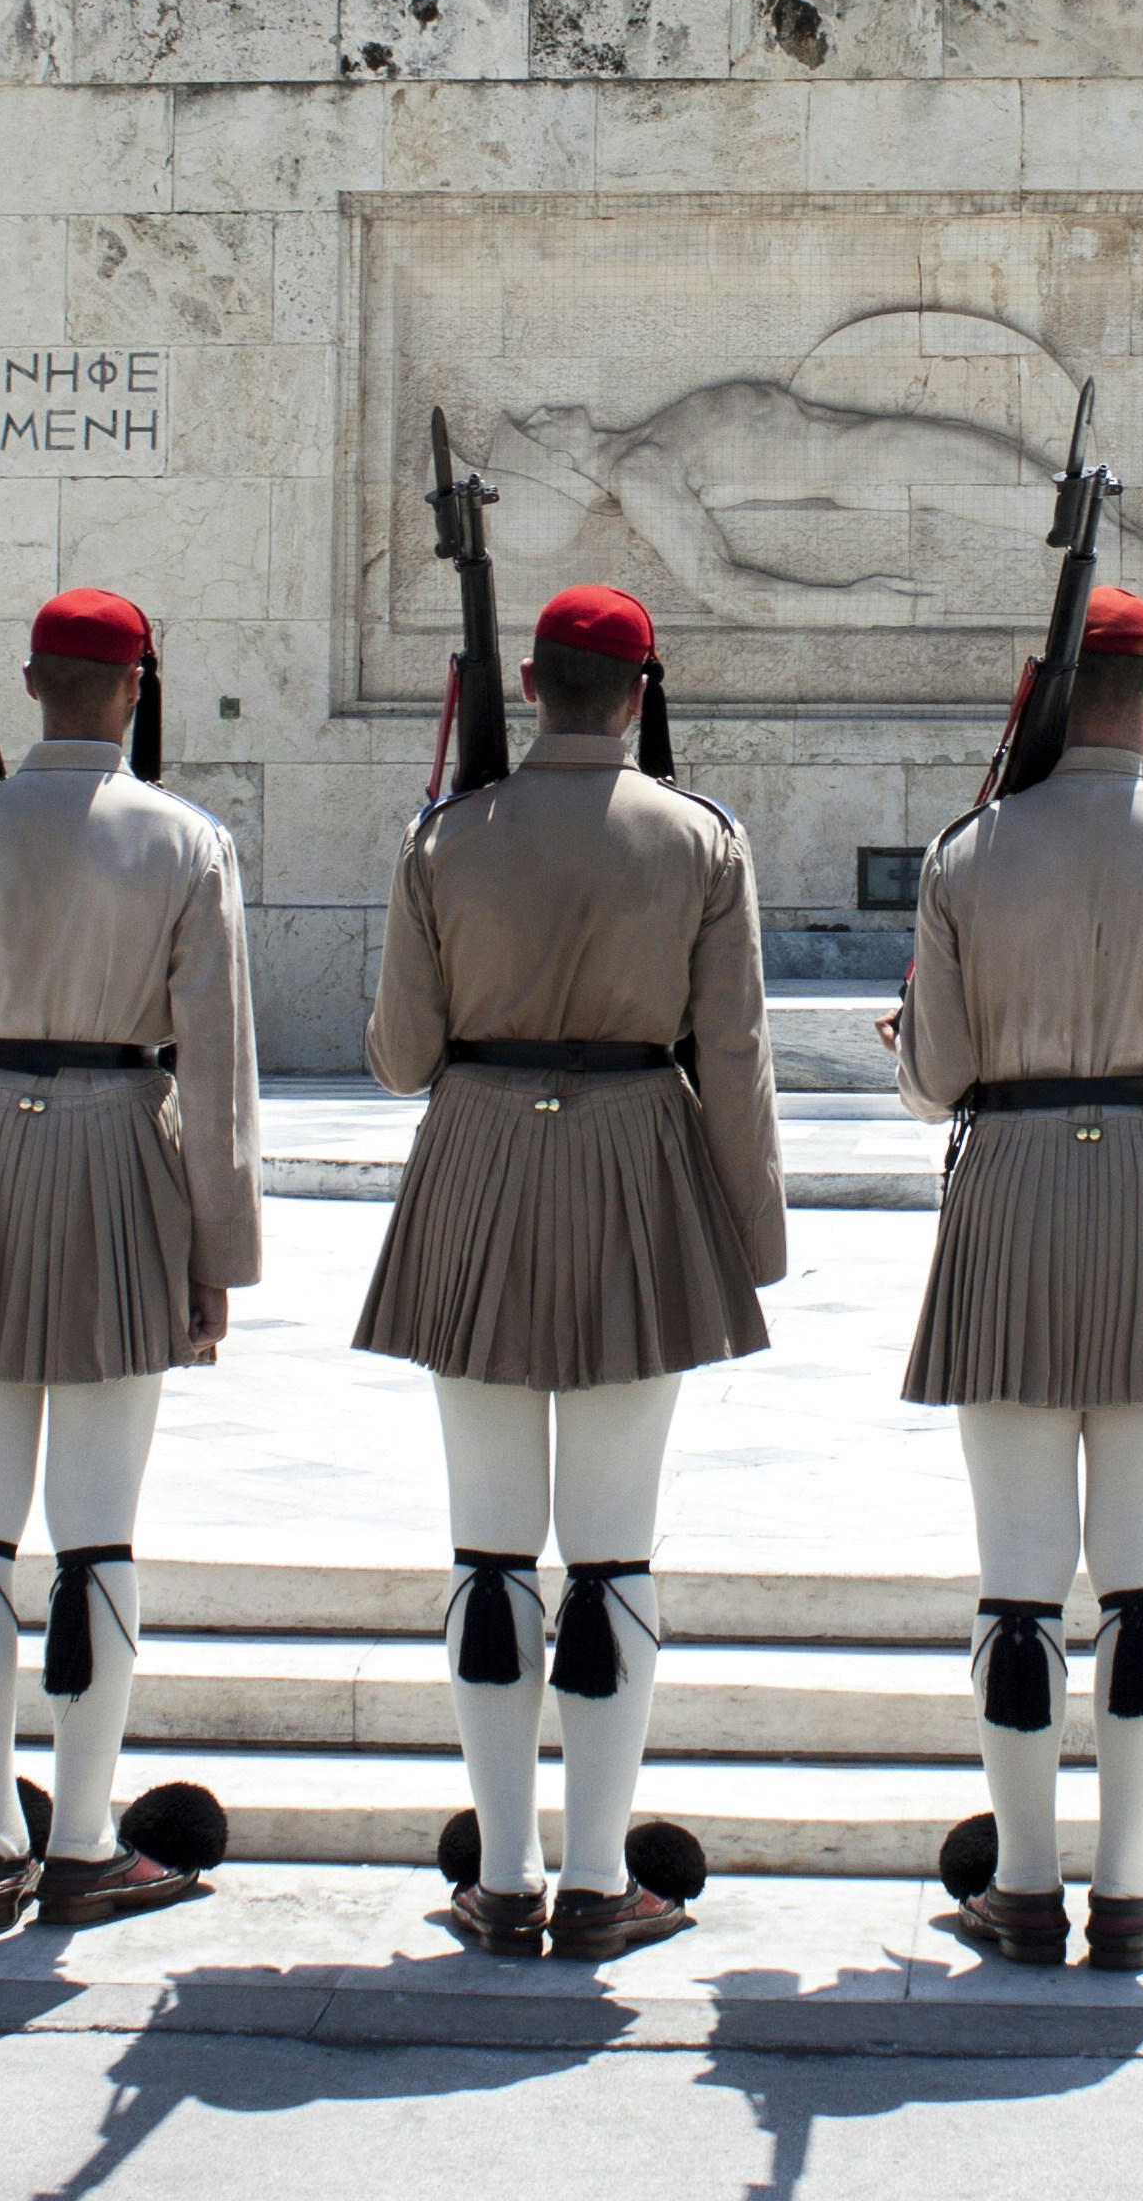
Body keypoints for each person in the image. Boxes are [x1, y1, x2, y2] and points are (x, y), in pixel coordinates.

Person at [355, 583, 783, 1963]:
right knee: (612, 1557)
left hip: (475, 1168)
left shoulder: (447, 836)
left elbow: (397, 1060)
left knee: (490, 1554)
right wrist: (751, 1242)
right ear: (645, 690)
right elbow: (735, 1061)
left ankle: (501, 1870)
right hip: (640, 1177)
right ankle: (600, 1874)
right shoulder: (702, 841)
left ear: (529, 686)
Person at [890, 586, 1143, 1973]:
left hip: (1009, 1195)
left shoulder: (969, 852)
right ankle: (1129, 1891)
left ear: (1045, 689)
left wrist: (916, 1042)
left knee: (1015, 1586)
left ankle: (1018, 1882)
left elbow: (934, 1083)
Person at [0, 586, 261, 1934]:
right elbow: (215, 1080)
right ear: (139, 685)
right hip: (118, 1165)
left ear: (31, 683)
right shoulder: (188, 841)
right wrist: (220, 1251)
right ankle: (85, 1840)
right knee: (97, 1537)